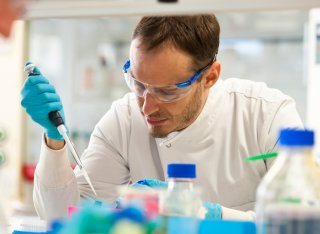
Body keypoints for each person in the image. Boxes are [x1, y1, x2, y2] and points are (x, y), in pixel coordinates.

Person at [21, 15, 303, 221]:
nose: (147, 107)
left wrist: (207, 215)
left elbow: (303, 220)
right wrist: (55, 140)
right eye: (138, 84)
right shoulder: (124, 119)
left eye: (167, 92)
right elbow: (63, 217)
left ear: (210, 77)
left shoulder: (266, 114)